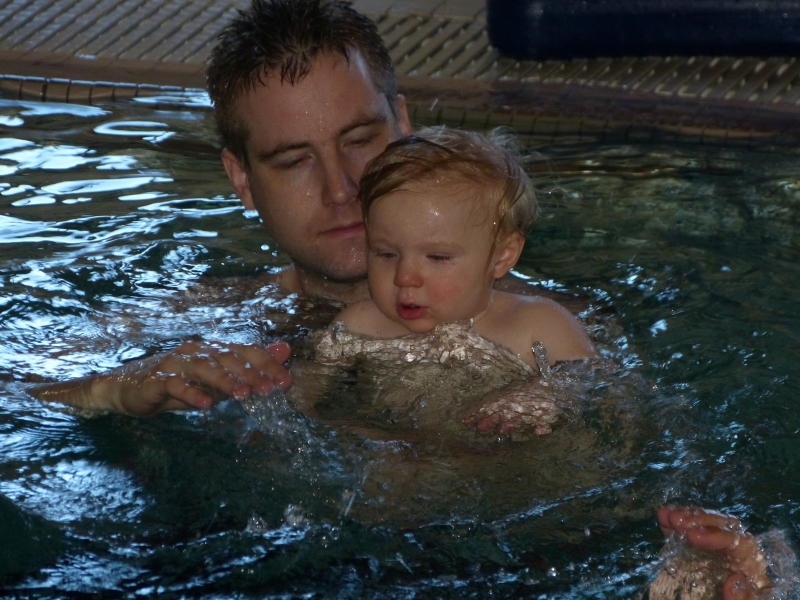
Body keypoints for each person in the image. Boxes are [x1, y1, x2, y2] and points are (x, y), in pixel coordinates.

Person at [25, 1, 781, 597]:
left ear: (406, 124)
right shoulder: (199, 320)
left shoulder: (554, 324)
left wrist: (725, 555)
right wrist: (115, 391)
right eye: (293, 161)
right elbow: (18, 391)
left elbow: (672, 461)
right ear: (241, 179)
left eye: (360, 139)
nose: (343, 187)